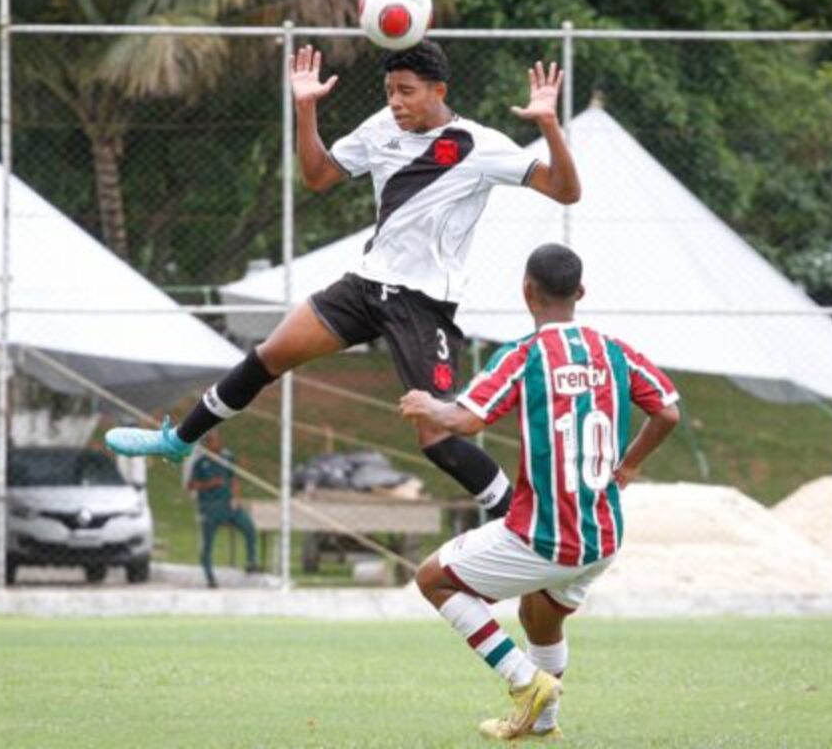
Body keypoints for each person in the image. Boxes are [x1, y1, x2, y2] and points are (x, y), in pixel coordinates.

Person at [106, 39, 581, 521]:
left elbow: (566, 190)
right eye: (389, 90)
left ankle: (523, 523)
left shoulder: (479, 146)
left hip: (423, 306)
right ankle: (179, 441)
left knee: (437, 437)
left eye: (407, 91)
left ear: (439, 90)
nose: (395, 101)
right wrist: (306, 108)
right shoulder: (380, 128)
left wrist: (548, 126)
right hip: (365, 286)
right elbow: (318, 176)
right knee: (269, 355)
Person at [400, 243, 681, 741]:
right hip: (603, 537)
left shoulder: (527, 356)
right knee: (540, 617)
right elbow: (668, 410)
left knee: (433, 580)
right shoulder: (613, 351)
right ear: (581, 292)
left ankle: (524, 683)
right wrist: (632, 463)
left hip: (541, 536)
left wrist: (428, 405)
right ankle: (542, 725)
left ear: (527, 291)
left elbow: (466, 418)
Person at [186, 430, 260, 587]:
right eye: (212, 441)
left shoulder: (227, 457)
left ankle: (251, 561)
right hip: (209, 508)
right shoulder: (200, 462)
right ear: (207, 444)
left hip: (228, 505)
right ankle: (210, 577)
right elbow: (191, 485)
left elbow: (233, 478)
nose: (216, 444)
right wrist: (209, 484)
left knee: (249, 527)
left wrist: (236, 498)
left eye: (217, 440)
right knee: (207, 544)